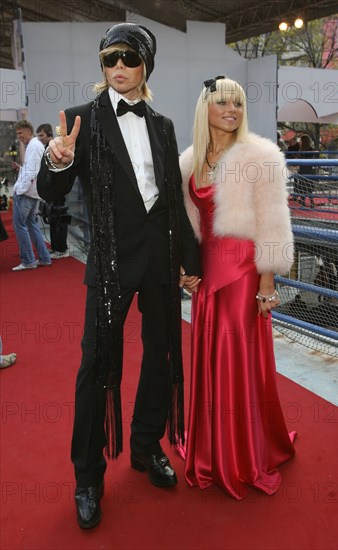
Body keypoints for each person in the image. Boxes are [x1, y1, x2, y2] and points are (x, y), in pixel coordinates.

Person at [37, 23, 201, 529]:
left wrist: (191, 262)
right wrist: (58, 160)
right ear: (102, 67)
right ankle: (87, 478)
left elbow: (172, 199)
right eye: (110, 59)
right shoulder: (81, 121)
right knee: (97, 368)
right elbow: (52, 191)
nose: (119, 68)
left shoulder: (165, 125)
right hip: (109, 264)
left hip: (159, 258)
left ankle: (146, 446)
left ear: (145, 65)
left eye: (130, 58)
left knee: (161, 355)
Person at [179, 76, 296, 500]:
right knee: (211, 357)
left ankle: (243, 454)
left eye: (239, 104)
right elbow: (185, 225)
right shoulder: (190, 160)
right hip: (206, 276)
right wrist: (183, 267)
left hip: (244, 272)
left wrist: (267, 281)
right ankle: (213, 446)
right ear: (204, 107)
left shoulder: (260, 155)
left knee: (237, 356)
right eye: (223, 102)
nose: (232, 110)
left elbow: (273, 221)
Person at [11, 120, 52, 271]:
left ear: (28, 130)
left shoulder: (34, 146)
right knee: (32, 226)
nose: (19, 137)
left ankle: (28, 260)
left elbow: (32, 172)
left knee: (20, 226)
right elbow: (31, 170)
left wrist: (19, 189)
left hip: (26, 193)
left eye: (20, 133)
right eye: (17, 134)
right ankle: (44, 258)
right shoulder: (34, 146)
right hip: (31, 192)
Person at [37, 124, 70, 259]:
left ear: (49, 134)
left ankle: (62, 249)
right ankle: (55, 247)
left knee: (60, 219)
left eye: (42, 135)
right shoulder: (46, 148)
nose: (40, 138)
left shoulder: (56, 147)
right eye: (38, 135)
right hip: (51, 190)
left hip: (59, 191)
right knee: (52, 219)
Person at [295, 134, 316, 208]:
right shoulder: (306, 150)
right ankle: (308, 202)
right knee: (306, 187)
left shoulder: (306, 150)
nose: (299, 142)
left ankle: (306, 201)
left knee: (304, 186)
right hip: (306, 170)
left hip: (305, 170)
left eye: (300, 140)